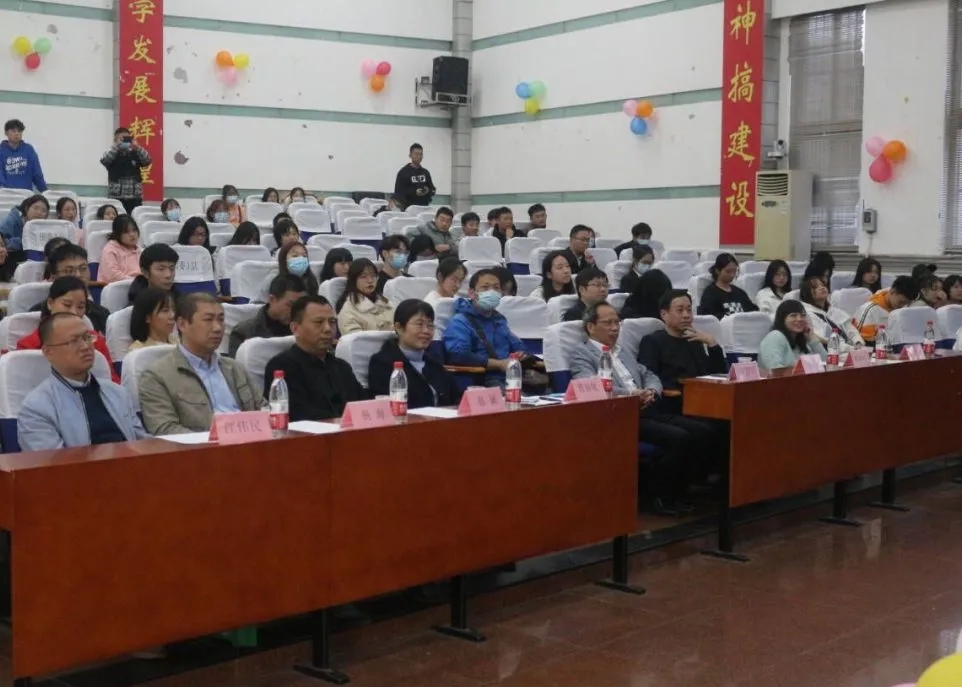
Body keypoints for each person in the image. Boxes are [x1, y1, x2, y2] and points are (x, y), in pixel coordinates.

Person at [570, 302, 695, 515]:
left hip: (646, 408)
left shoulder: (622, 350)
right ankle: (659, 498)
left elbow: (648, 374)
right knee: (679, 437)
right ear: (590, 327)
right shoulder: (582, 354)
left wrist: (651, 391)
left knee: (699, 430)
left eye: (617, 322)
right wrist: (630, 394)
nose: (614, 328)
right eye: (608, 323)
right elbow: (592, 386)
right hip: (618, 416)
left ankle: (679, 492)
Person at [18, 313, 147, 451]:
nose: (86, 346)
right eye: (74, 341)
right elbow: (53, 462)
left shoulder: (118, 393)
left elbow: (144, 444)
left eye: (87, 337)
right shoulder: (36, 408)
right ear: (48, 352)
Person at [139, 294, 262, 435]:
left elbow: (264, 410)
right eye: (208, 320)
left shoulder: (235, 368)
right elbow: (165, 430)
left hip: (250, 442)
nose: (218, 328)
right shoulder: (156, 376)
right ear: (182, 324)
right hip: (202, 447)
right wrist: (214, 439)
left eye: (221, 320)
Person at [263, 295, 366, 420]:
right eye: (318, 322)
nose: (328, 329)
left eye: (332, 322)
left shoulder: (342, 367)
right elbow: (296, 416)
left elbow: (362, 405)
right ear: (295, 328)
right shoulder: (282, 367)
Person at [17, 276, 119, 382]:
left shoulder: (96, 341)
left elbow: (111, 380)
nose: (74, 312)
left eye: (80, 307)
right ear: (50, 303)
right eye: (67, 305)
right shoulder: (27, 346)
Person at [637, 290, 727, 409]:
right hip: (671, 405)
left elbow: (716, 375)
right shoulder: (652, 341)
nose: (686, 315)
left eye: (689, 310)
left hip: (701, 400)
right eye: (680, 310)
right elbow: (650, 379)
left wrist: (712, 344)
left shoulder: (694, 339)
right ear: (664, 314)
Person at [442, 268, 528, 388]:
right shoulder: (460, 321)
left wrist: (521, 355)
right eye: (485, 288)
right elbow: (459, 355)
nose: (491, 292)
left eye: (496, 288)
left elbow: (518, 346)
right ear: (472, 293)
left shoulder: (499, 319)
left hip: (510, 378)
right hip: (481, 381)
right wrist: (499, 364)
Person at [368, 299, 462, 408]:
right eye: (419, 324)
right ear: (399, 328)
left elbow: (456, 398)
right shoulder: (382, 363)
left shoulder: (433, 361)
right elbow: (386, 407)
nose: (426, 331)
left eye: (430, 325)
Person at [39, 243, 110, 334]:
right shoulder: (38, 314)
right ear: (53, 277)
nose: (78, 275)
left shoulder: (101, 313)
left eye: (83, 268)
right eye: (69, 271)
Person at [229, 274, 306, 356]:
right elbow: (236, 363)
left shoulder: (306, 331)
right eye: (290, 305)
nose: (295, 311)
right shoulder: (243, 332)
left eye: (300, 306)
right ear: (272, 299)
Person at [758, 300, 827, 370]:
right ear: (782, 319)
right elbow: (775, 370)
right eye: (793, 315)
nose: (799, 319)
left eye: (802, 315)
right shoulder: (775, 336)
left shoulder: (802, 341)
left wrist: (812, 339)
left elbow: (826, 364)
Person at [799, 276, 863, 351]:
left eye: (823, 285)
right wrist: (851, 349)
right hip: (831, 353)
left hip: (852, 350)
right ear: (807, 293)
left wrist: (858, 343)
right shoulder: (808, 314)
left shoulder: (834, 310)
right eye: (815, 287)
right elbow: (826, 340)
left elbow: (851, 330)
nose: (822, 288)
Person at [852, 275, 918, 344]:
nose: (902, 306)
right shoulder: (870, 310)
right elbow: (864, 342)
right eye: (901, 302)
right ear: (892, 291)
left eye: (906, 303)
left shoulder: (901, 309)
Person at [100, 126, 151, 214]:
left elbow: (147, 160)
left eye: (127, 138)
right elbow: (104, 160)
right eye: (121, 139)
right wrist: (116, 146)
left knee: (135, 219)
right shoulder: (112, 153)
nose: (124, 141)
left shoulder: (135, 153)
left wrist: (137, 147)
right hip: (116, 197)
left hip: (135, 198)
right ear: (115, 140)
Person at [337, 258, 395, 333]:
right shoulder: (348, 311)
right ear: (353, 280)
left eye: (373, 276)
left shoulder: (386, 302)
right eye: (363, 276)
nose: (370, 280)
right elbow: (356, 339)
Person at [697, 253, 757, 319]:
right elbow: (709, 317)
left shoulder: (740, 293)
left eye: (734, 271)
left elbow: (753, 311)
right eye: (728, 271)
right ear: (717, 271)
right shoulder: (710, 293)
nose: (732, 275)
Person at [0, 118, 47, 192]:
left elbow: (37, 174)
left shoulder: (29, 150)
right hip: (6, 194)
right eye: (13, 131)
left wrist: (45, 192)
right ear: (6, 133)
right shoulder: (1, 150)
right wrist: (4, 190)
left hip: (26, 194)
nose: (17, 134)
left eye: (19, 131)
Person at [99, 214, 143, 283]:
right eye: (126, 232)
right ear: (118, 234)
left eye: (134, 230)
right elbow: (112, 276)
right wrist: (138, 282)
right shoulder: (109, 250)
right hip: (119, 287)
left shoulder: (140, 250)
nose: (132, 234)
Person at [394, 143, 435, 209]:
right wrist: (414, 192)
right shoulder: (403, 172)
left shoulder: (426, 173)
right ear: (410, 155)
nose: (418, 156)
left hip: (424, 207)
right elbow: (398, 194)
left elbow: (432, 189)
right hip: (408, 208)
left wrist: (427, 191)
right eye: (416, 154)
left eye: (420, 154)